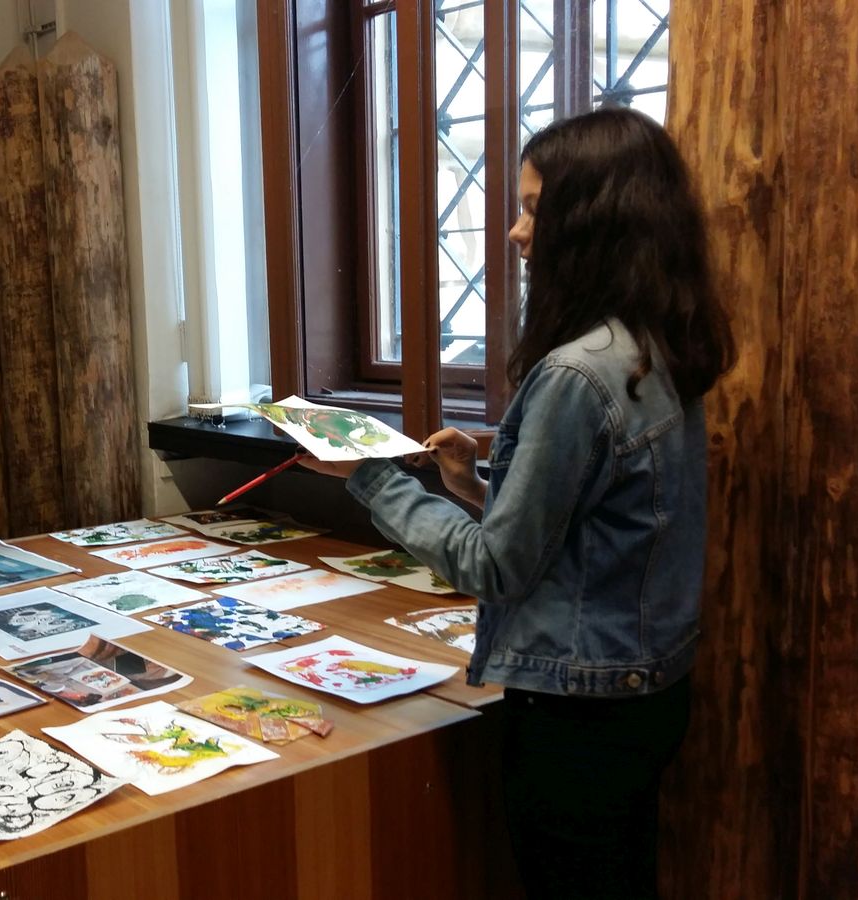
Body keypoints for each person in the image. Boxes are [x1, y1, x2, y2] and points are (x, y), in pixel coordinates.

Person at [302, 107, 734, 899]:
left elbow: (497, 567)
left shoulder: (576, 374)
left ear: (594, 224)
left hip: (577, 714)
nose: (514, 232)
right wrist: (476, 485)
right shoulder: (652, 347)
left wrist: (372, 475)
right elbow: (600, 522)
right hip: (643, 691)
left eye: (534, 209)